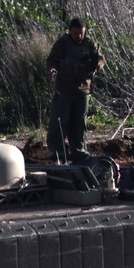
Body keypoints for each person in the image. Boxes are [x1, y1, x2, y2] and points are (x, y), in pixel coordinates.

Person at [46, 16, 104, 163]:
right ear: (70, 31)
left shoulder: (90, 43)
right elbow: (52, 60)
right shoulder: (62, 43)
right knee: (60, 121)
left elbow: (100, 59)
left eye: (82, 33)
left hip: (83, 90)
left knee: (79, 123)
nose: (79, 36)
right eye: (76, 33)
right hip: (64, 89)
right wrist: (52, 70)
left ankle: (79, 151)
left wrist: (99, 65)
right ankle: (58, 152)